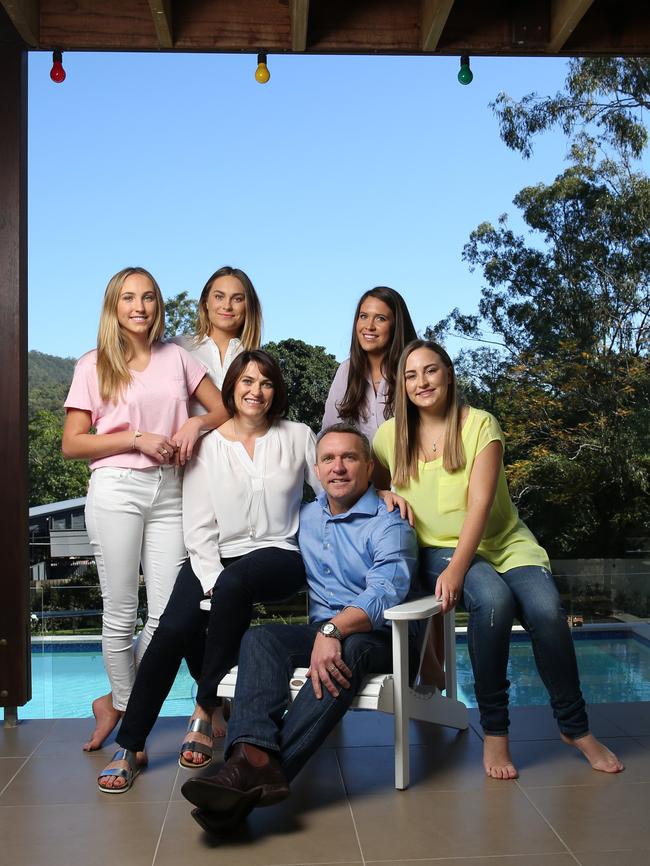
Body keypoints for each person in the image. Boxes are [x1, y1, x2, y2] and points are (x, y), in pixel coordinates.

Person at [372, 339, 624, 779]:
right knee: (493, 601)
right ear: (402, 384)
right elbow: (361, 484)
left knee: (546, 611)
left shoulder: (480, 425)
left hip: (503, 542)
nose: (421, 382)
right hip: (435, 547)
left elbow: (481, 504)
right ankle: (496, 732)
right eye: (411, 375)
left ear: (448, 374)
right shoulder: (390, 436)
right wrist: (382, 491)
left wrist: (458, 569)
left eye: (430, 371)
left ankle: (575, 727)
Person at [97, 350, 320, 793]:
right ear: (232, 387)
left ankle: (205, 704)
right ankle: (132, 743)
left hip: (280, 552)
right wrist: (211, 578)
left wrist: (380, 501)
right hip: (216, 554)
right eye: (247, 382)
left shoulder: (298, 435)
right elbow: (197, 527)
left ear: (276, 392)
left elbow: (333, 490)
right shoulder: (208, 445)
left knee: (234, 584)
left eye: (266, 383)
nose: (256, 391)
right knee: (172, 626)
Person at [180, 423, 418, 830]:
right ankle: (253, 762)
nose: (338, 468)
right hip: (324, 633)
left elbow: (385, 594)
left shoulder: (390, 522)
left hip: (380, 640)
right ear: (317, 468)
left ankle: (245, 777)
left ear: (369, 468)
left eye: (349, 458)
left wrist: (333, 632)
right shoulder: (304, 518)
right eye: (328, 459)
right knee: (260, 638)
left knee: (351, 648)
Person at [62, 267, 227, 752]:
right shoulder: (92, 365)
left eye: (149, 298)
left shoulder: (176, 358)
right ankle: (133, 727)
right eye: (129, 298)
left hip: (173, 489)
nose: (140, 306)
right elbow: (73, 443)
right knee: (119, 612)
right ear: (114, 306)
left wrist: (192, 428)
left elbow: (220, 410)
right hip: (116, 488)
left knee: (166, 617)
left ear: (158, 306)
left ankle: (117, 705)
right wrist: (135, 438)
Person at [322, 286, 417, 440]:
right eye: (364, 316)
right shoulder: (346, 370)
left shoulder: (413, 365)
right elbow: (330, 431)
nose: (369, 326)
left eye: (381, 318)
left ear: (396, 325)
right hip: (367, 463)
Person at [171, 265, 263, 410]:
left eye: (237, 299)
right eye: (219, 297)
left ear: (248, 306)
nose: (227, 306)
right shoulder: (175, 348)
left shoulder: (259, 362)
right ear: (205, 302)